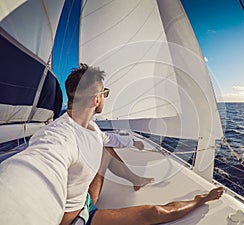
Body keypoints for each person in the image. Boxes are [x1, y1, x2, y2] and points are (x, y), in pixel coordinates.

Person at [0, 64, 223, 225]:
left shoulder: (90, 128)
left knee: (105, 149)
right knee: (156, 212)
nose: (105, 98)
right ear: (97, 98)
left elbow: (107, 139)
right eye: (105, 93)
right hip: (77, 218)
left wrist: (132, 141)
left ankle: (136, 180)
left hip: (84, 199)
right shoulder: (57, 136)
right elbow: (35, 168)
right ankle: (200, 199)